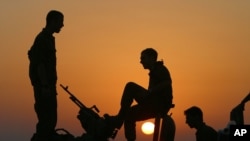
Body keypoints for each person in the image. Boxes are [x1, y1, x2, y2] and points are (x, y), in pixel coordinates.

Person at [106, 48, 173, 141]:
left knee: (130, 86)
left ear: (152, 58)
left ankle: (119, 119)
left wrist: (151, 91)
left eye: (143, 58)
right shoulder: (154, 71)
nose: (141, 61)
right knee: (128, 114)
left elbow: (167, 82)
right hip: (154, 104)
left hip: (158, 105)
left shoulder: (161, 69)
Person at [28, 10, 64, 141]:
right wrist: (44, 86)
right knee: (46, 122)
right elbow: (40, 65)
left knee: (50, 122)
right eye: (60, 21)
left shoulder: (48, 39)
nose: (62, 25)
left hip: (48, 87)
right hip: (44, 87)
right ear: (53, 21)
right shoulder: (42, 39)